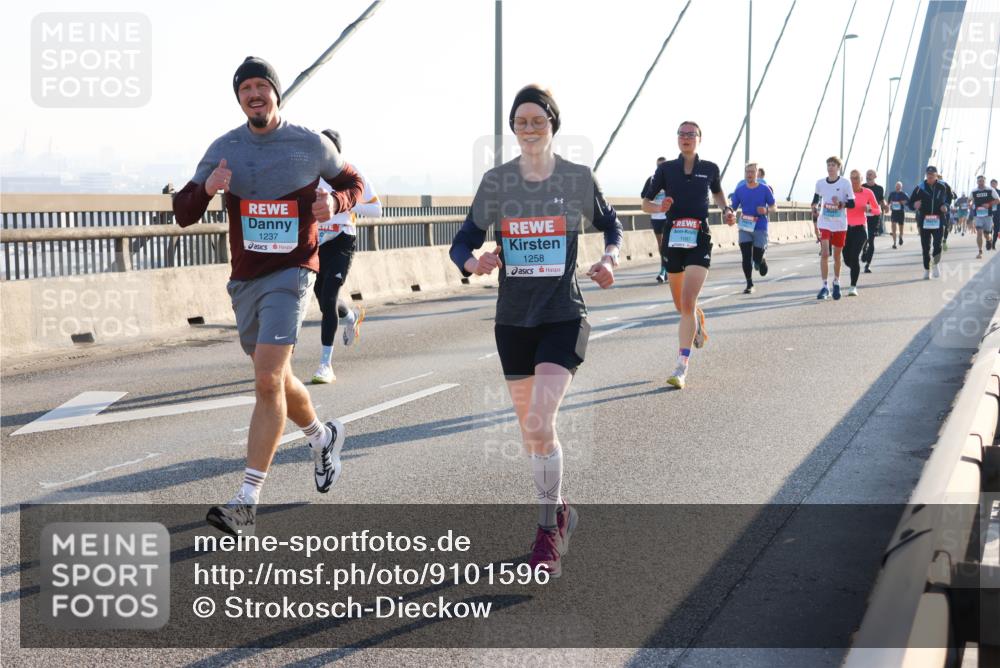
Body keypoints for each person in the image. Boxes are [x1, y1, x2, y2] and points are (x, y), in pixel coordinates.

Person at [173, 56, 364, 536]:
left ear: (277, 94)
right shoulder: (225, 149)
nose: (254, 95)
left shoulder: (310, 145)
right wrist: (207, 190)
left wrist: (335, 203)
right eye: (246, 89)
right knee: (275, 378)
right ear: (239, 97)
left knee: (265, 379)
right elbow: (182, 212)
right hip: (246, 279)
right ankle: (323, 437)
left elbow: (354, 183)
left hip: (293, 271)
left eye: (262, 86)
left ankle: (247, 500)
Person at [449, 85, 622, 578]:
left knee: (541, 420)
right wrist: (473, 260)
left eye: (536, 120)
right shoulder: (498, 183)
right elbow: (462, 239)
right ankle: (561, 506)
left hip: (564, 314)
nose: (528, 128)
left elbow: (612, 228)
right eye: (520, 121)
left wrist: (609, 258)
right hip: (513, 321)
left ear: (552, 124)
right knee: (533, 433)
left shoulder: (575, 178)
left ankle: (548, 531)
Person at [641, 121, 736, 388]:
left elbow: (718, 194)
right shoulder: (665, 169)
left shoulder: (710, 169)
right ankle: (697, 318)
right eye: (682, 134)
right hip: (673, 237)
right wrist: (659, 205)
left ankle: (681, 367)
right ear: (677, 139)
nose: (686, 138)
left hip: (699, 238)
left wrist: (727, 210)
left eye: (691, 134)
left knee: (687, 299)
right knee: (682, 306)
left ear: (699, 139)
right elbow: (645, 203)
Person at [310, 129, 379, 384]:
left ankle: (325, 365)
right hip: (317, 242)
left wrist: (343, 202)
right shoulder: (310, 174)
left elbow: (376, 209)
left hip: (342, 240)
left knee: (328, 298)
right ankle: (350, 317)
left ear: (336, 153)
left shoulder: (351, 173)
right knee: (323, 298)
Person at [811, 156, 854, 300]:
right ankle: (824, 286)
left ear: (838, 167)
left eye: (833, 165)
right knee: (824, 254)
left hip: (840, 223)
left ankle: (836, 282)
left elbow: (852, 203)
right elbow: (815, 200)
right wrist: (814, 208)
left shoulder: (845, 183)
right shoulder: (820, 183)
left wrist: (841, 204)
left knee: (836, 255)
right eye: (828, 165)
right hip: (825, 222)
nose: (830, 167)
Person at [730, 161, 776, 294]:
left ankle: (761, 259)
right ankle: (749, 283)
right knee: (745, 256)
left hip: (760, 226)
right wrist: (730, 214)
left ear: (757, 173)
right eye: (747, 172)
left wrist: (766, 210)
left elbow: (774, 206)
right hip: (745, 225)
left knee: (756, 257)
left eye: (752, 172)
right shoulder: (739, 190)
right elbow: (733, 208)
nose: (749, 174)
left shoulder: (764, 189)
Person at [907, 166, 952, 280]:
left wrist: (945, 206)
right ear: (926, 175)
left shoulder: (944, 186)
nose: (930, 177)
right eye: (928, 175)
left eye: (932, 175)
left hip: (938, 218)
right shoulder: (920, 187)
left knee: (937, 244)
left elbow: (949, 198)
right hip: (924, 220)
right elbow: (910, 202)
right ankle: (927, 269)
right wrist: (914, 205)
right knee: (925, 247)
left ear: (936, 175)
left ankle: (935, 264)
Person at [844, 170, 881, 296]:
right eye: (852, 178)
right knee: (847, 260)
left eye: (856, 178)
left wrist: (870, 208)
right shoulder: (846, 192)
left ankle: (853, 286)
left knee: (854, 257)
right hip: (846, 229)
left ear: (861, 180)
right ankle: (855, 268)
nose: (854, 181)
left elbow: (878, 210)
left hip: (860, 229)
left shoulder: (868, 192)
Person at [641, 157, 669, 283]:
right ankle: (664, 268)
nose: (660, 168)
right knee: (661, 245)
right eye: (658, 166)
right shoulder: (652, 179)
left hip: (670, 216)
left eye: (663, 166)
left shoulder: (672, 178)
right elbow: (643, 195)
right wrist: (653, 192)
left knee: (671, 244)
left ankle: (668, 269)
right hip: (656, 216)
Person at [860, 169, 885, 273]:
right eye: (867, 175)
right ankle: (864, 249)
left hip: (874, 217)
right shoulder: (862, 187)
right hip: (863, 216)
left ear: (875, 176)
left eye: (870, 175)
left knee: (871, 239)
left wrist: (885, 205)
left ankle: (868, 265)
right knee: (863, 238)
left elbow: (881, 200)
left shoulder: (879, 188)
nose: (868, 176)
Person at [970, 175, 999, 259]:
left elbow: (998, 200)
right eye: (979, 181)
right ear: (977, 182)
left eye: (982, 181)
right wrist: (970, 204)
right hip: (978, 216)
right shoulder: (974, 191)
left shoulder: (990, 190)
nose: (981, 182)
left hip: (988, 216)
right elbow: (970, 200)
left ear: (985, 182)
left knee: (987, 234)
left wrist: (989, 204)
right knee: (979, 232)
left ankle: (989, 240)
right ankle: (980, 251)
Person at [887, 181, 908, 248]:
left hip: (901, 212)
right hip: (894, 212)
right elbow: (888, 202)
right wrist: (887, 206)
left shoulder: (904, 194)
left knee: (901, 228)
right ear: (895, 187)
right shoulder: (892, 194)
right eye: (896, 186)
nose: (897, 187)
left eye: (899, 186)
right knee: (893, 227)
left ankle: (900, 236)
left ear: (901, 187)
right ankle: (894, 243)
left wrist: (903, 202)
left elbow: (908, 202)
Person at [991, 178, 1000, 251]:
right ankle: (989, 241)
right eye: (992, 183)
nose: (993, 185)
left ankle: (993, 243)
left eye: (994, 183)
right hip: (989, 213)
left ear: (997, 184)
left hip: (998, 213)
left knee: (996, 229)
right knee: (988, 228)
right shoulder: (988, 192)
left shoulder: (999, 192)